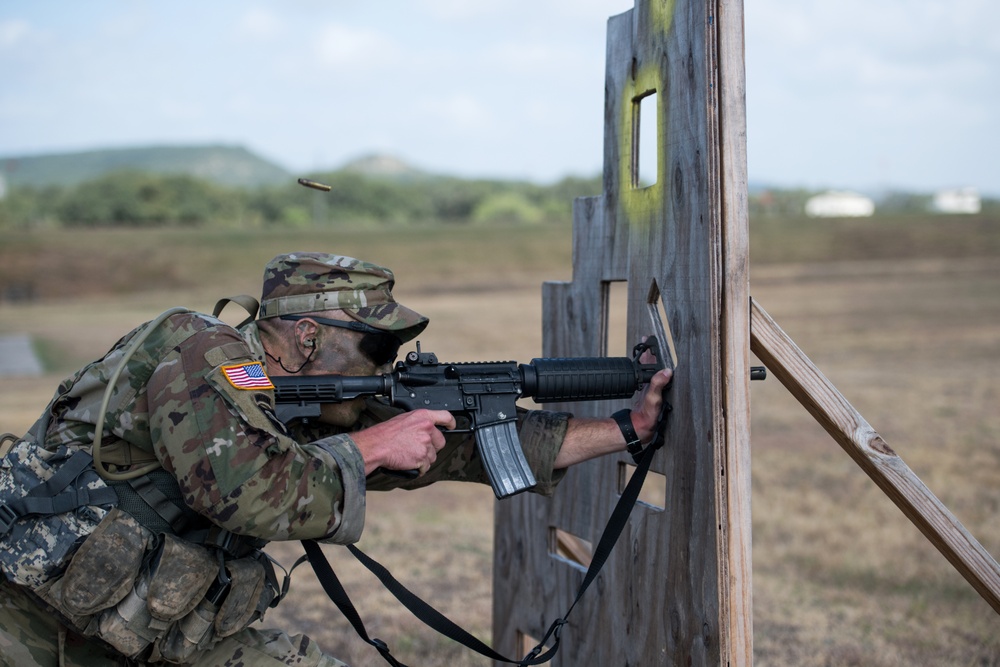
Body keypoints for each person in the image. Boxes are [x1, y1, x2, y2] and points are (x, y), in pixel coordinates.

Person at [0, 252, 672, 666]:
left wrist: (627, 428)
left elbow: (462, 447)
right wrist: (373, 445)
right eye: (377, 346)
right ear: (308, 334)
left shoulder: (295, 394)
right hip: (27, 620)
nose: (390, 362)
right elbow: (242, 489)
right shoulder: (202, 354)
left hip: (146, 626)